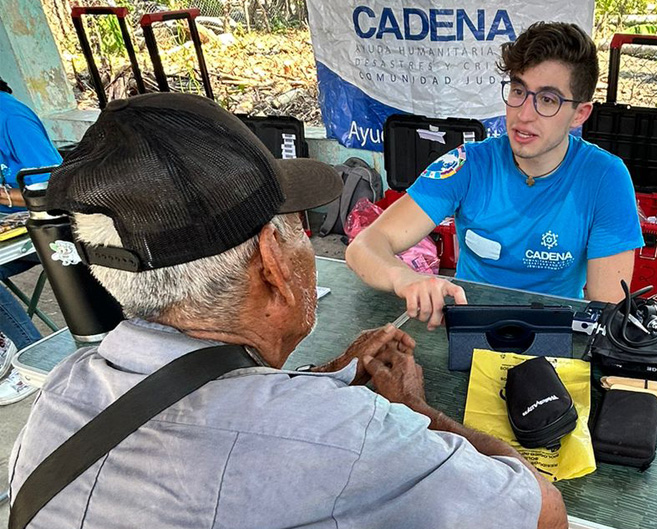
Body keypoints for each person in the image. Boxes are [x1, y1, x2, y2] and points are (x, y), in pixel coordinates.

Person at [8, 93, 566, 529]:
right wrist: (416, 410)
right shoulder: (351, 440)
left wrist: (319, 382)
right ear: (273, 264)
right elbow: (541, 512)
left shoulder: (60, 394)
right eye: (298, 226)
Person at [346, 22, 643, 329]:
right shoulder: (470, 164)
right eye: (518, 90)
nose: (524, 114)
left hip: (556, 334)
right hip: (470, 328)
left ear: (579, 114)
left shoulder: (605, 177)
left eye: (548, 99)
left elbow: (607, 309)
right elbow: (364, 246)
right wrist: (405, 278)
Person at [0, 76, 64, 405]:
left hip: (43, 228)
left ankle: (30, 360)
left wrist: (5, 197)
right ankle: (4, 338)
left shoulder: (11, 118)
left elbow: (53, 189)